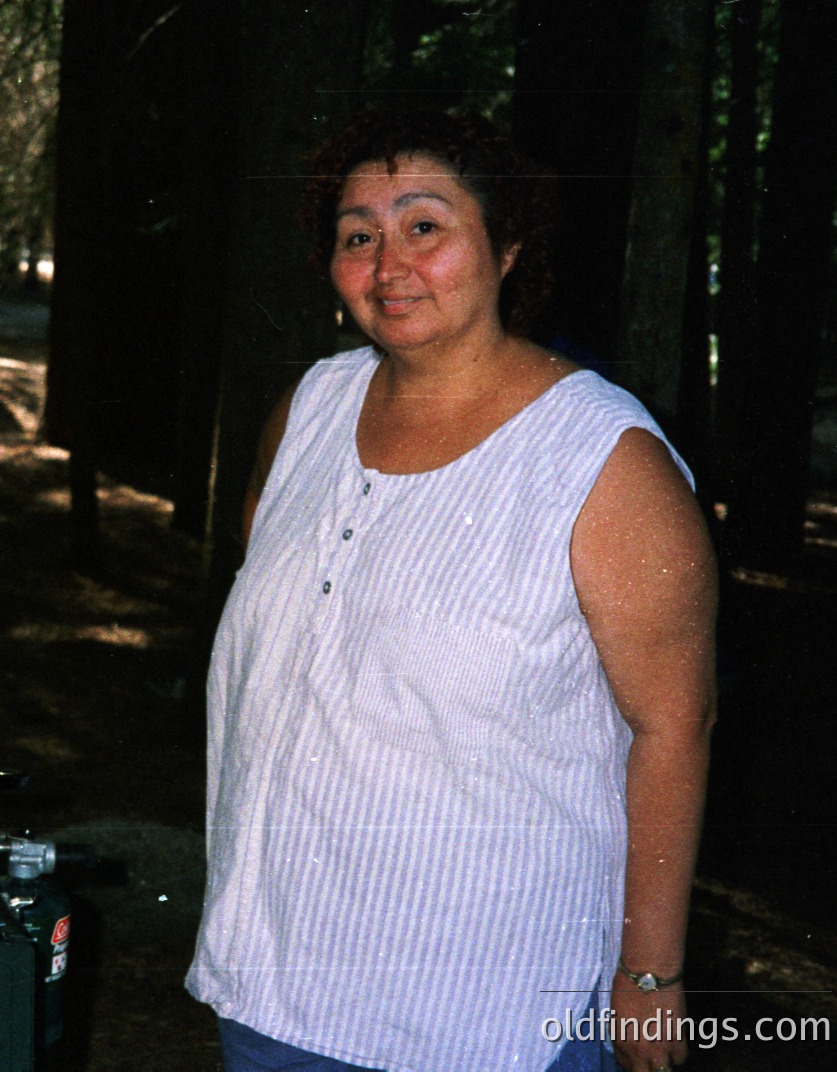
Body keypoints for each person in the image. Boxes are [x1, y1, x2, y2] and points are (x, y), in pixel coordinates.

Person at [186, 109, 716, 1072]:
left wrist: (649, 976)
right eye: (358, 237)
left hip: (483, 1009)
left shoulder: (603, 461)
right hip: (272, 979)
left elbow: (673, 729)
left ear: (506, 243)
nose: (389, 265)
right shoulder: (307, 410)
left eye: (424, 225)